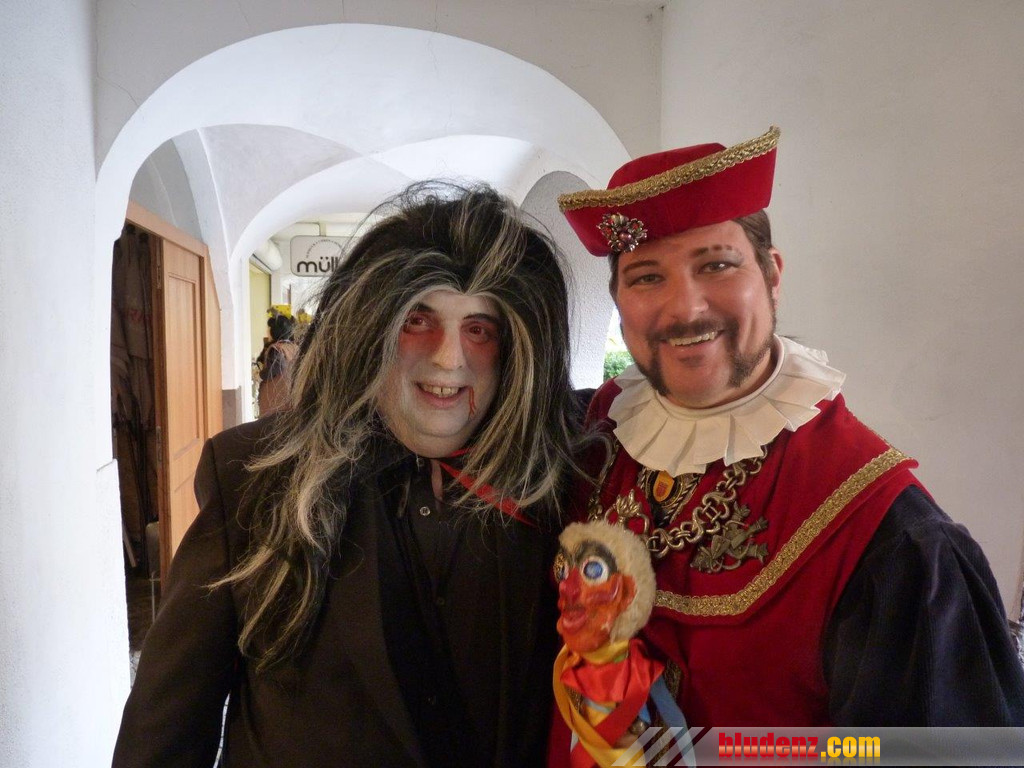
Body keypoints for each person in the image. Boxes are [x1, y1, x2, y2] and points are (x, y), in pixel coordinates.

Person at [547, 125, 1024, 744]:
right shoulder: (593, 434)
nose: (685, 308)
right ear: (617, 300)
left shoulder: (890, 536)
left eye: (716, 265)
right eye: (645, 277)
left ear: (772, 275)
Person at [113, 183, 582, 767]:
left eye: (479, 328)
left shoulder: (563, 486)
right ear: (368, 330)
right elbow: (165, 732)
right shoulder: (253, 476)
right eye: (418, 319)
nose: (448, 358)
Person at [256, 311, 299, 417]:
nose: (267, 331)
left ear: (274, 331)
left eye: (269, 329)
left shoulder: (276, 349)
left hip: (276, 398)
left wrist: (259, 375)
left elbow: (275, 369)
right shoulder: (295, 347)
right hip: (291, 396)